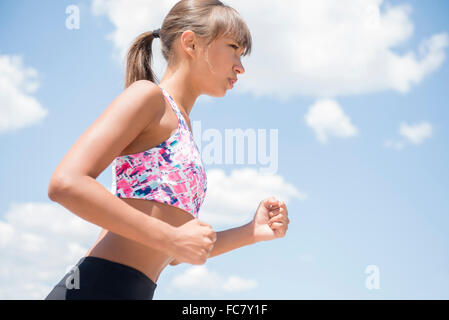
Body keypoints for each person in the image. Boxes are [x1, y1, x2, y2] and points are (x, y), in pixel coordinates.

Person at [45, 0, 289, 300]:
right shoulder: (149, 97)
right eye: (233, 47)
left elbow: (171, 253)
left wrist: (251, 232)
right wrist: (172, 237)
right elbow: (66, 183)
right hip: (98, 288)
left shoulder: (183, 129)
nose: (240, 66)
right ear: (191, 43)